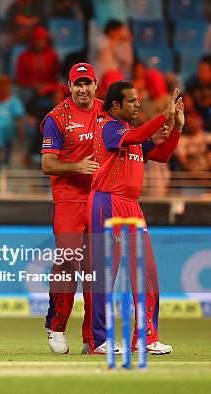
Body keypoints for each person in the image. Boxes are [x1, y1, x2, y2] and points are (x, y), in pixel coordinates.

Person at [87, 83, 182, 355]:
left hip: (131, 206)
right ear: (116, 106)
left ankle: (145, 338)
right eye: (131, 101)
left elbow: (162, 155)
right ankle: (100, 339)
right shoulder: (107, 126)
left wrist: (176, 126)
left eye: (138, 100)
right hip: (107, 201)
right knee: (107, 273)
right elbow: (140, 135)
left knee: (147, 272)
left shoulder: (130, 133)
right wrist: (164, 115)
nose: (137, 105)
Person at [40, 63, 104, 355]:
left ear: (96, 84)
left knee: (97, 269)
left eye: (87, 83)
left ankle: (94, 339)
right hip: (68, 198)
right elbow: (47, 164)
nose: (83, 89)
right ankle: (57, 327)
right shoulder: (57, 117)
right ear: (69, 86)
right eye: (77, 84)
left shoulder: (107, 112)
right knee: (68, 263)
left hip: (101, 198)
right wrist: (77, 166)